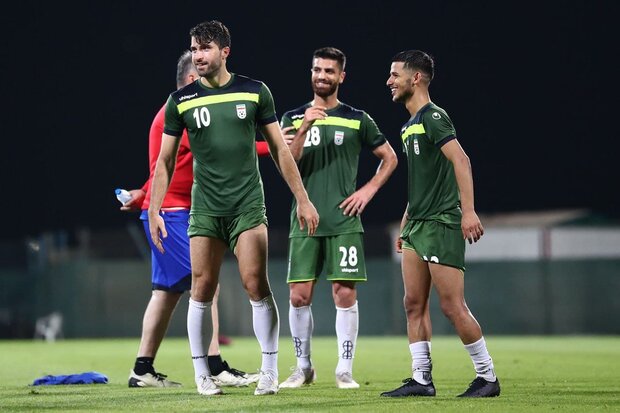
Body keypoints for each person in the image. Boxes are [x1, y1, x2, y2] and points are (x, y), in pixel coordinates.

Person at [148, 20, 319, 397]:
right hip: (206, 208)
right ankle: (202, 375)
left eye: (205, 48)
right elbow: (164, 161)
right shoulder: (180, 101)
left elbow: (278, 150)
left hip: (246, 204)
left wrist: (303, 198)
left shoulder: (255, 92)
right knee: (201, 288)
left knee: (255, 284)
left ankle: (270, 369)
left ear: (225, 51)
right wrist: (155, 209)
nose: (198, 55)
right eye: (194, 48)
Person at [121, 51, 269, 389]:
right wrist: (272, 146)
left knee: (166, 292)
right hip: (172, 214)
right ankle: (214, 366)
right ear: (192, 80)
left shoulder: (174, 112)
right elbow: (221, 147)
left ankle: (142, 369)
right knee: (206, 285)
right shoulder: (185, 111)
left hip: (167, 210)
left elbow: (163, 166)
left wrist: (142, 197)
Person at [380, 50, 500, 398]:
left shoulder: (433, 117)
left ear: (415, 78)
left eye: (394, 74)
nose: (389, 81)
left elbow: (461, 160)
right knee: (413, 303)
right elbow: (422, 181)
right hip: (417, 225)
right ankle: (421, 379)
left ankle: (487, 376)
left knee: (451, 305)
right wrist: (405, 223)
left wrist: (469, 211)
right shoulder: (408, 125)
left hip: (441, 222)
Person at [278, 47, 398, 390]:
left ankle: (344, 369)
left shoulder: (357, 118)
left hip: (344, 222)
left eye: (330, 71)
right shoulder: (291, 117)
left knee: (344, 294)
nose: (322, 76)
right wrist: (303, 128)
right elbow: (288, 165)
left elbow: (389, 158)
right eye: (317, 69)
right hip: (304, 219)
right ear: (311, 72)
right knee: (298, 296)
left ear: (341, 76)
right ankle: (303, 368)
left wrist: (368, 191)